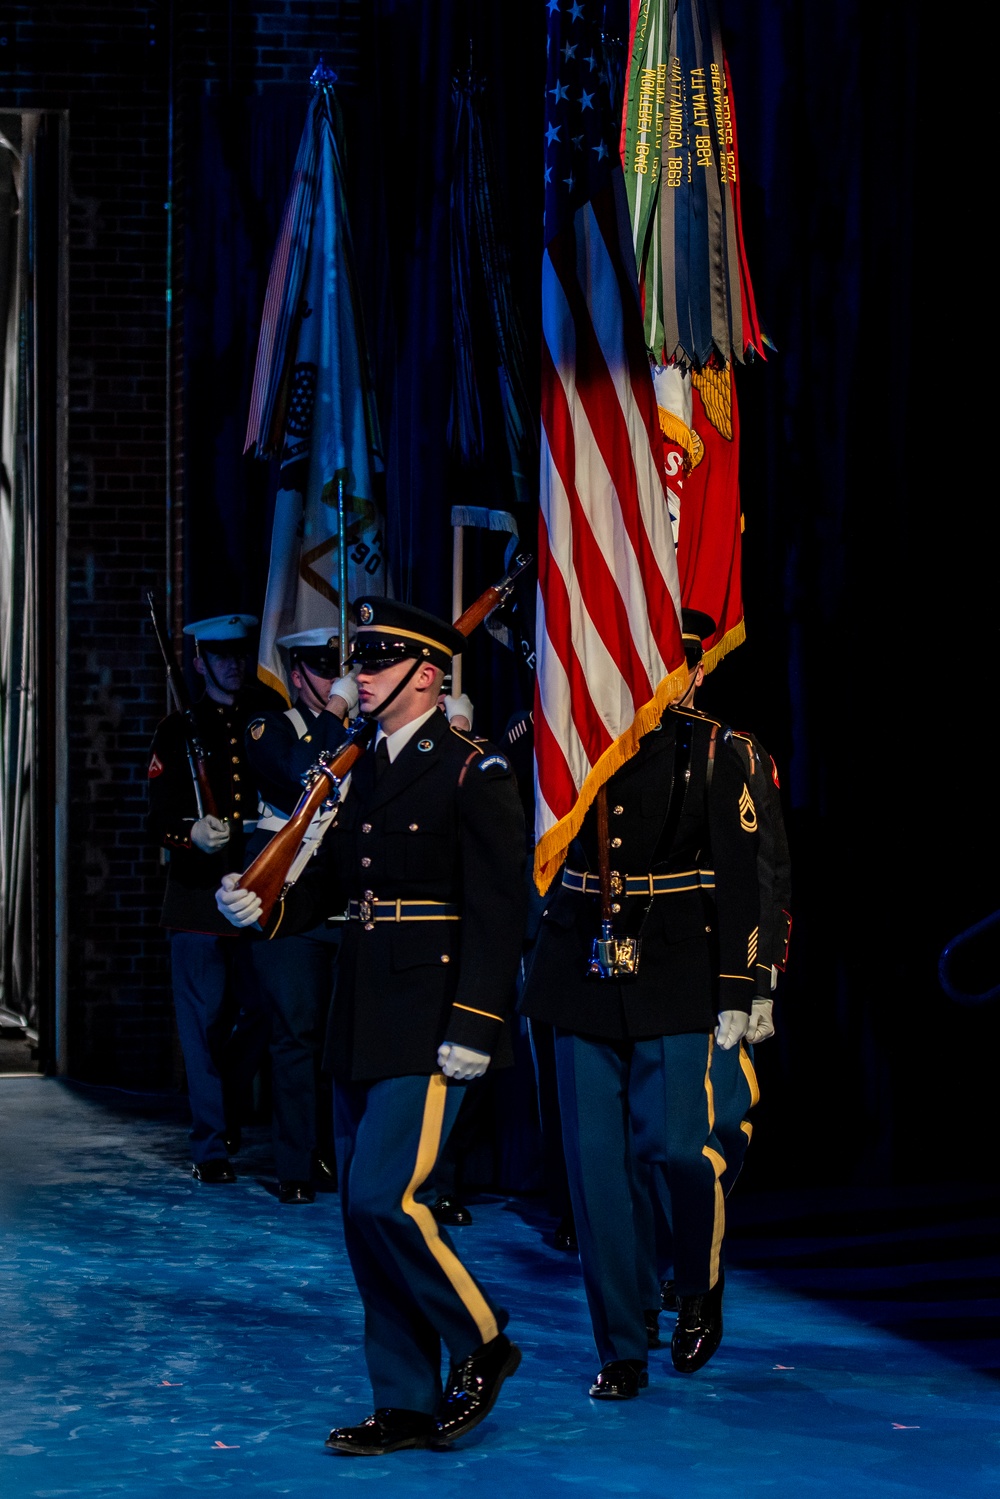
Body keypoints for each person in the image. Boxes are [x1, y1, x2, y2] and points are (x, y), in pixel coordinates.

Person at [218, 598, 526, 1456]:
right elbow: (328, 889)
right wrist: (262, 909)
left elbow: (501, 911)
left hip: (433, 1014)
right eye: (360, 661)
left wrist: (475, 1020)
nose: (359, 675)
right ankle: (405, 1400)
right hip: (363, 1006)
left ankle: (485, 1339)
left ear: (426, 674)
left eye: (378, 663)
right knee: (361, 1220)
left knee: (385, 1196)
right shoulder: (361, 767)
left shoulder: (473, 768)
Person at [518, 642, 761, 1398]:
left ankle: (697, 1280)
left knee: (677, 1151)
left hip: (678, 962)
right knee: (597, 1173)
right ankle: (620, 1343)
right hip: (579, 963)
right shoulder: (569, 733)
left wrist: (739, 989)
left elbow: (745, 878)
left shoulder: (718, 749)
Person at [653, 610, 792, 1312]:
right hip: (649, 966)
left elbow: (767, 875)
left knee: (725, 1121)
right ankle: (667, 1265)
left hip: (719, 964)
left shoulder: (731, 750)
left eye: (686, 664)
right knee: (653, 1136)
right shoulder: (618, 752)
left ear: (702, 669)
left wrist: (761, 976)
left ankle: (690, 1253)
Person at [146, 613, 273, 1183]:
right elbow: (157, 817)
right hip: (199, 897)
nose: (233, 664)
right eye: (220, 655)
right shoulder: (178, 730)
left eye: (240, 654)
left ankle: (225, 1108)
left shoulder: (268, 718)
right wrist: (187, 834)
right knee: (200, 1027)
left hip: (257, 887)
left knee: (265, 1012)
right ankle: (210, 1146)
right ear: (200, 661)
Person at [239, 627, 356, 1205]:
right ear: (296, 675)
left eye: (342, 669)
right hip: (289, 902)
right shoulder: (269, 729)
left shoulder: (367, 730)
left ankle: (342, 1157)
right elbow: (304, 776)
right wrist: (336, 709)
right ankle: (294, 1165)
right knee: (294, 1034)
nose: (337, 679)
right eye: (322, 670)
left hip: (349, 903)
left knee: (349, 1040)